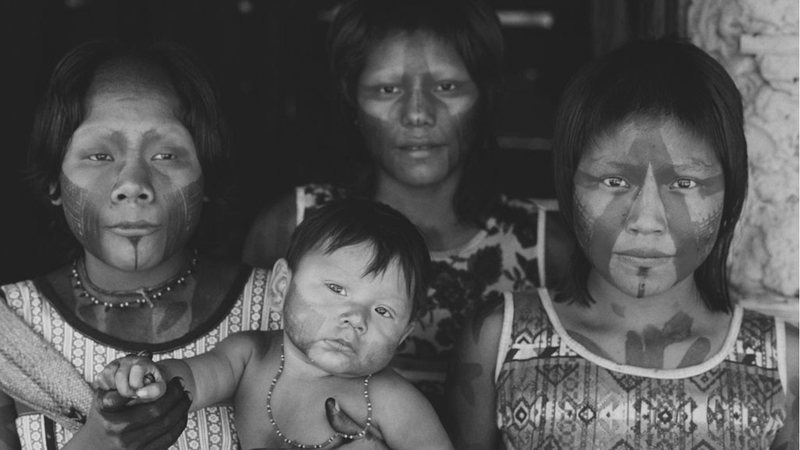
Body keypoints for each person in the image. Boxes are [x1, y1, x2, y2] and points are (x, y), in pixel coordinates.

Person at [446, 39, 799, 449]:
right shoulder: (500, 339)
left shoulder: (784, 363)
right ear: (567, 182)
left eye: (685, 184)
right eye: (614, 182)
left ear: (731, 191)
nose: (646, 221)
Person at [242, 0, 573, 409]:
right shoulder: (292, 226)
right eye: (387, 89)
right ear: (351, 98)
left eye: (447, 87)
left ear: (486, 95)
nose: (418, 113)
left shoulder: (544, 250)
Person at [0, 39, 285, 449]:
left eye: (166, 155)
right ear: (53, 182)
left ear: (207, 176)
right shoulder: (10, 328)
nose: (133, 185)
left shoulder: (283, 312)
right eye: (99, 155)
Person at [96, 199, 453, 449]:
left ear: (404, 335)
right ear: (282, 285)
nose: (355, 319)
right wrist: (149, 377)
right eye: (336, 288)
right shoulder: (251, 356)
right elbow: (192, 380)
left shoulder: (392, 401)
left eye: (383, 312)